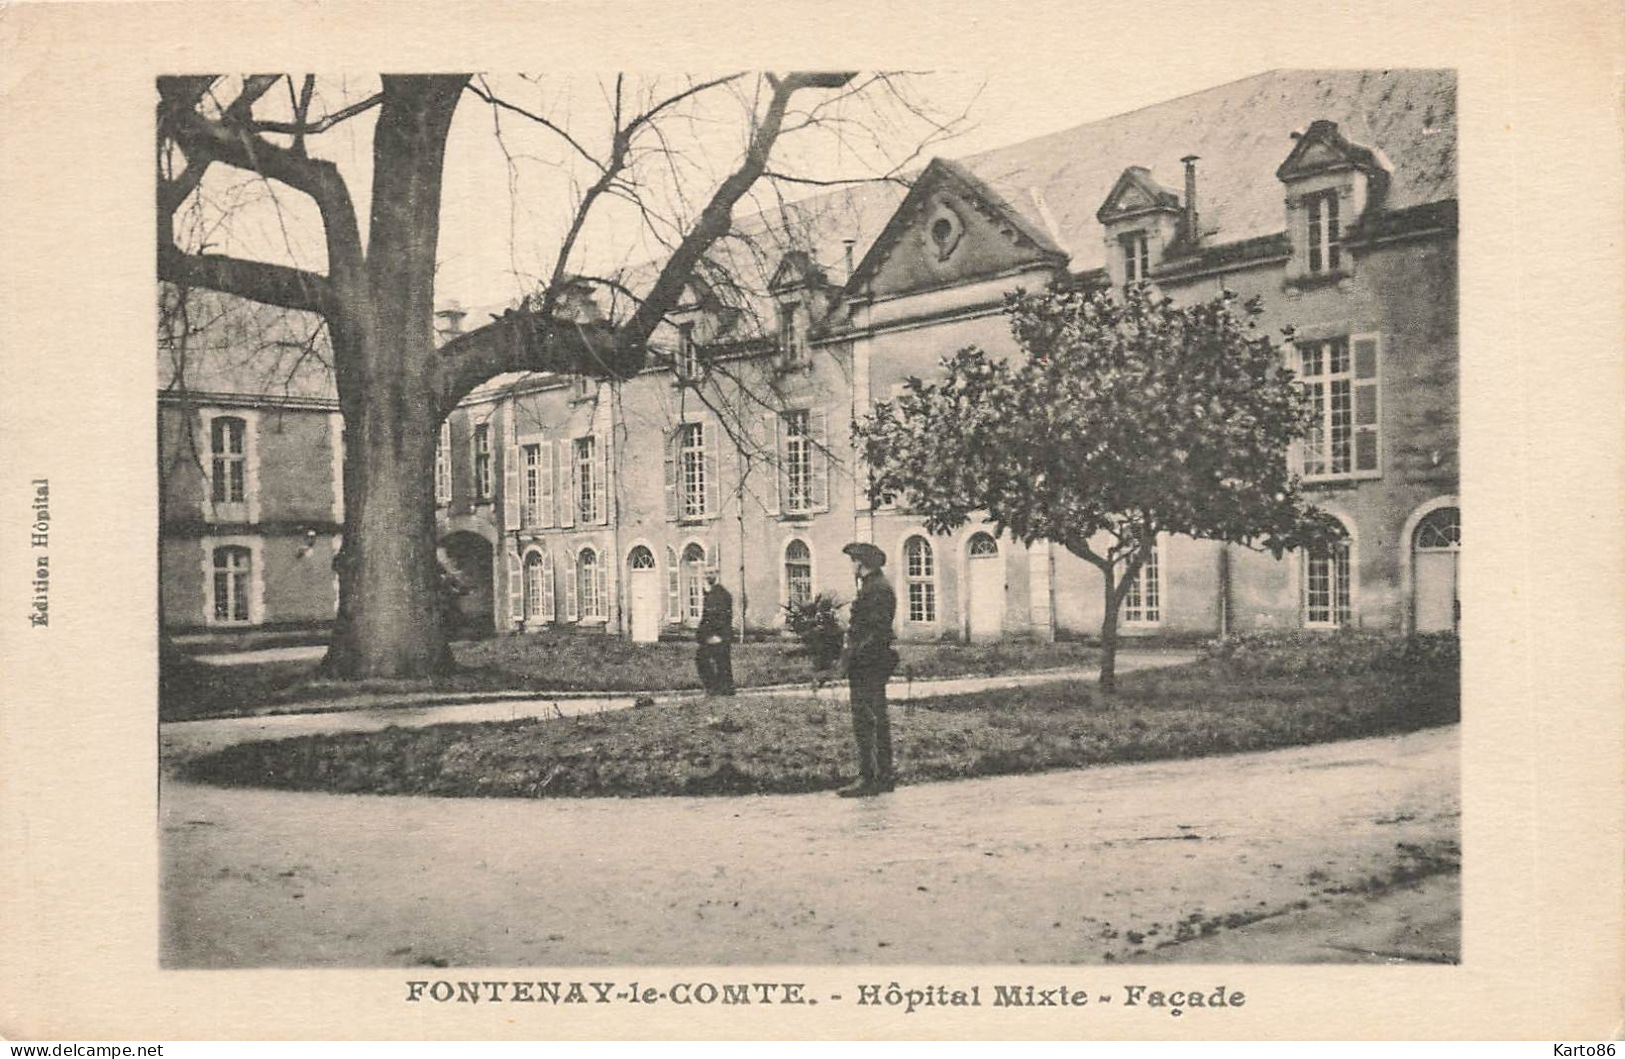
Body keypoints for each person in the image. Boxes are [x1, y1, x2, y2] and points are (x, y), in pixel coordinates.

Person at [838, 541, 899, 797]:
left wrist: (854, 656)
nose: (851, 566)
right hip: (870, 662)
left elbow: (875, 632)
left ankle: (871, 777)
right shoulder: (874, 587)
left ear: (860, 563)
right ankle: (880, 775)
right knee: (874, 718)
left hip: (868, 664)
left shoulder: (876, 590)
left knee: (868, 720)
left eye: (853, 561)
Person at [695, 566, 735, 696]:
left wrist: (719, 636)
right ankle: (715, 688)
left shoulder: (723, 594)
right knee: (702, 659)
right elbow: (706, 616)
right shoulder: (710, 593)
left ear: (717, 574)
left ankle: (722, 689)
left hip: (720, 636)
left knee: (721, 664)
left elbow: (724, 617)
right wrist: (701, 634)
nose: (708, 576)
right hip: (709, 636)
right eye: (706, 573)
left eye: (711, 573)